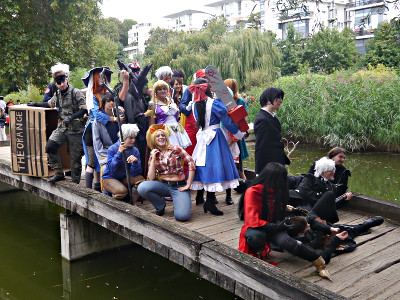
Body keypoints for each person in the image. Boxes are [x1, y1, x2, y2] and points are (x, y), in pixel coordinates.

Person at [238, 162, 348, 281]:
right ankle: (259, 254)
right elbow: (253, 220)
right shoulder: (253, 191)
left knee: (288, 242)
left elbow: (280, 208)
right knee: (256, 237)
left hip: (276, 224)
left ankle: (319, 264)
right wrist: (277, 226)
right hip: (256, 227)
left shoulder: (277, 189)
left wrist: (284, 222)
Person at [189, 81, 244, 215]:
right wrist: (239, 133)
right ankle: (210, 201)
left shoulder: (194, 105)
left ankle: (209, 200)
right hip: (215, 137)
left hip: (202, 137)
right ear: (208, 90)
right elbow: (226, 121)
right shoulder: (215, 103)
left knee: (206, 166)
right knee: (215, 167)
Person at [28, 62, 87, 184]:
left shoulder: (76, 92)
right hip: (63, 128)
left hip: (76, 129)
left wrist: (71, 118)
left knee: (75, 158)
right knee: (50, 147)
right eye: (58, 81)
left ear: (67, 79)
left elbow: (84, 110)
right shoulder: (57, 94)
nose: (61, 83)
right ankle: (59, 173)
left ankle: (76, 184)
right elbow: (49, 103)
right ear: (55, 82)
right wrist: (35, 104)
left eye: (62, 79)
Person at [81, 66, 130, 191]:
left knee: (99, 163)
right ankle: (88, 191)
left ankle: (98, 188)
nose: (104, 79)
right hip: (93, 128)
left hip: (106, 128)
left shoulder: (107, 93)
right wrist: (114, 119)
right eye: (101, 76)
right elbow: (96, 114)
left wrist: (117, 109)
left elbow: (115, 103)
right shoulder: (91, 94)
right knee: (91, 161)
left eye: (105, 76)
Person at [137, 125, 195, 221]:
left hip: (179, 187)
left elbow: (191, 162)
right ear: (154, 140)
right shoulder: (154, 155)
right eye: (158, 136)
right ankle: (160, 205)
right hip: (164, 185)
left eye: (163, 135)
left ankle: (181, 201)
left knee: (182, 217)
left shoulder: (175, 148)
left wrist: (188, 184)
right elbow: (150, 178)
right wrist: (153, 158)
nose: (161, 137)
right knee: (142, 187)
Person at [290, 157, 353, 223]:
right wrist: (320, 200)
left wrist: (345, 200)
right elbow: (303, 192)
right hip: (302, 210)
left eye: (334, 170)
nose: (334, 172)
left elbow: (332, 206)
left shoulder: (331, 187)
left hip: (318, 215)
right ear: (322, 172)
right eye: (330, 170)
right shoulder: (310, 178)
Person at [102, 124, 145, 204]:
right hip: (110, 177)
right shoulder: (113, 148)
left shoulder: (135, 151)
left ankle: (133, 203)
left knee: (140, 180)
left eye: (134, 138)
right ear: (124, 137)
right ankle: (113, 203)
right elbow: (112, 169)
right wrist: (119, 153)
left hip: (124, 177)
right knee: (121, 191)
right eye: (130, 138)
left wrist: (135, 163)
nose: (133, 140)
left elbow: (135, 173)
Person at [254, 87, 290, 175]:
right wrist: (260, 171)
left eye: (281, 98)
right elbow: (261, 147)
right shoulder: (263, 119)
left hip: (276, 164)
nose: (280, 100)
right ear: (268, 99)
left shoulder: (270, 117)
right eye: (278, 97)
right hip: (269, 168)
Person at [148, 80, 191, 148]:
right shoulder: (152, 104)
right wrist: (153, 137)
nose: (162, 91)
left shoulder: (171, 101)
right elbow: (152, 123)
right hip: (164, 132)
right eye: (159, 89)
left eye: (164, 89)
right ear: (155, 91)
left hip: (176, 130)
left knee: (178, 152)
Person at [92, 92, 122, 174]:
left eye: (113, 100)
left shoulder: (120, 116)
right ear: (104, 103)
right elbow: (97, 142)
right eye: (108, 101)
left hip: (120, 151)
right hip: (106, 153)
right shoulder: (97, 121)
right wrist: (104, 158)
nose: (111, 103)